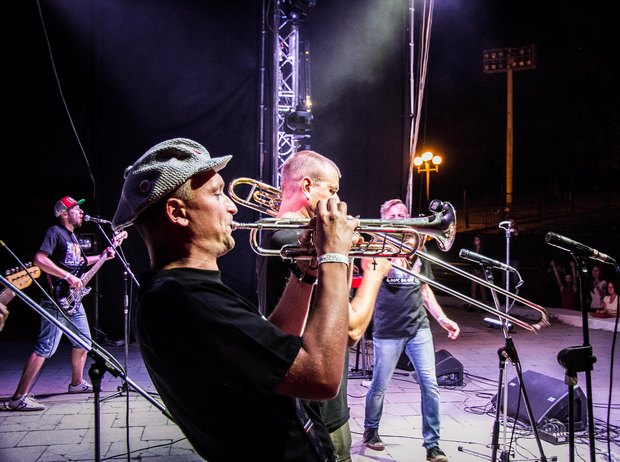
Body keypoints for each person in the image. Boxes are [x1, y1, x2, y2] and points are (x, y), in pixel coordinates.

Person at [111, 138, 359, 461]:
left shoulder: (183, 292)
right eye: (216, 194)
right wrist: (336, 258)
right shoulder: (184, 300)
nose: (232, 206)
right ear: (177, 213)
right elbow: (322, 377)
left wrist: (305, 273)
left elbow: (273, 348)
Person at [257, 150, 391, 461]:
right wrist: (375, 273)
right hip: (319, 411)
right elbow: (352, 329)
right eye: (331, 190)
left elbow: (333, 306)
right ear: (306, 187)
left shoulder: (274, 232)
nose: (338, 198)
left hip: (298, 397)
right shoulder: (295, 242)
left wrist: (343, 253)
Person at [363, 198, 460, 462]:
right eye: (393, 216)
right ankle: (371, 430)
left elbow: (425, 290)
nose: (400, 218)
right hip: (388, 329)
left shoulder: (418, 249)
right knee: (380, 386)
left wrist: (442, 318)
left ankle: (433, 445)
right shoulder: (376, 249)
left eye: (403, 214)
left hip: (419, 327)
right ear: (384, 221)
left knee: (431, 385)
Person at [7, 196, 116, 411]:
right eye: (76, 209)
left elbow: (82, 262)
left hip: (73, 302)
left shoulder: (73, 238)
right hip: (55, 300)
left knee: (84, 342)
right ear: (64, 214)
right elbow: (40, 260)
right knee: (45, 348)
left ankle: (76, 384)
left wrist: (103, 256)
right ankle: (18, 398)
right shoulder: (54, 232)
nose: (81, 212)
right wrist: (67, 277)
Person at [463, 234, 488, 312]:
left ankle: (484, 307)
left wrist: (480, 270)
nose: (475, 241)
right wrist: (474, 269)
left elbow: (484, 261)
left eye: (477, 239)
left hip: (482, 271)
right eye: (475, 239)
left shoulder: (483, 250)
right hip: (474, 270)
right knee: (473, 289)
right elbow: (471, 260)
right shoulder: (473, 249)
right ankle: (473, 305)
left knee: (482, 289)